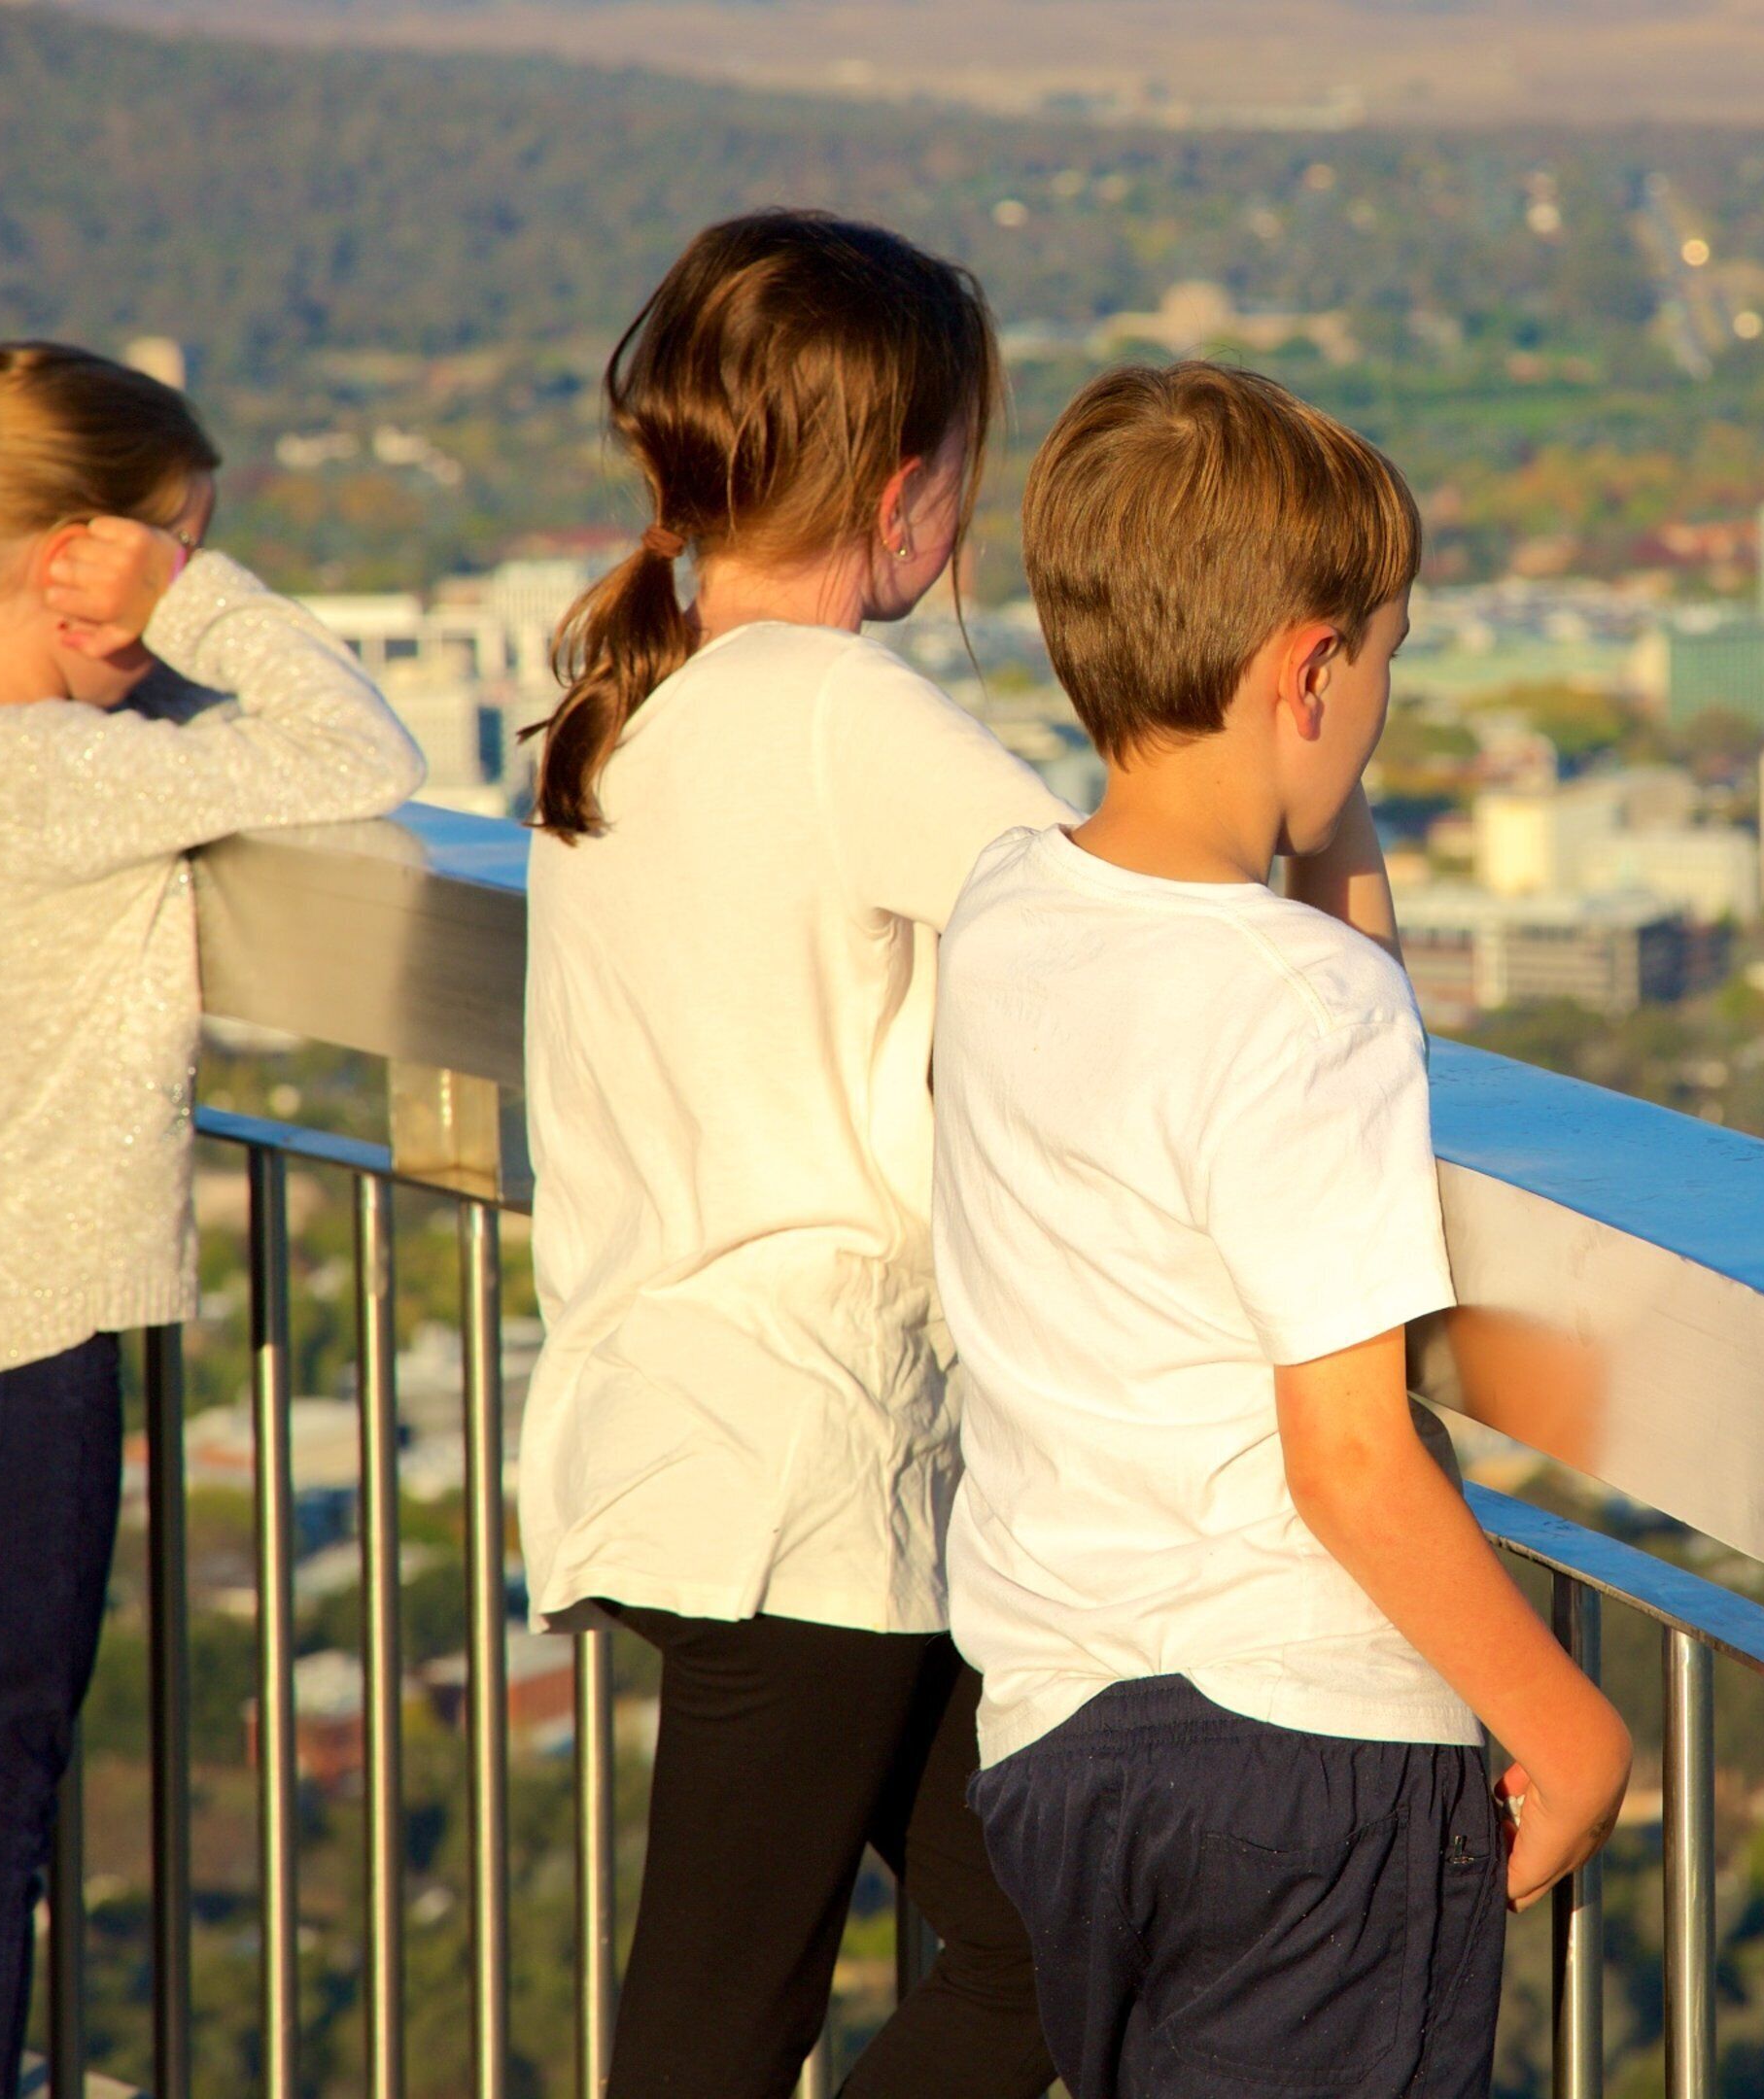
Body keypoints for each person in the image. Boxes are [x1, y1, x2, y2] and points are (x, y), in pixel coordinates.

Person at [933, 361, 1633, 2099]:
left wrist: (1313, 789)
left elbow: (1318, 1008)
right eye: (1378, 662)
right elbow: (1348, 1458)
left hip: (1057, 1735)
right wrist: (1571, 1732)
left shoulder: (1011, 904)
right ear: (1310, 667)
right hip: (1303, 1760)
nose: (1383, 703)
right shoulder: (1297, 1000)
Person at [0, 340, 423, 2097]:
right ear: (76, 552)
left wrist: (143, 594)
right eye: (159, 549)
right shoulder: (64, 780)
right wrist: (199, 596)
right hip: (16, 1359)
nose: (163, 600)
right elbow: (359, 750)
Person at [513, 212, 1065, 2098]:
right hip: (798, 1466)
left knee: (1047, 1937)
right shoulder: (836, 711)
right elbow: (1121, 943)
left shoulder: (640, 698)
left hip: (706, 1436)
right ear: (906, 495)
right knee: (724, 2031)